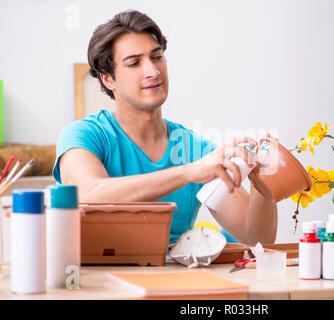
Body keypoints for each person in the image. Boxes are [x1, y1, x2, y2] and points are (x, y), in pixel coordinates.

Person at [53, 10, 277, 245]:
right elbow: (87, 195)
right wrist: (188, 172)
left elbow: (258, 239)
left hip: (175, 276)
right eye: (134, 63)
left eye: (157, 57)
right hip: (101, 277)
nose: (153, 71)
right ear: (108, 78)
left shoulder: (195, 150)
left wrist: (263, 186)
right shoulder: (84, 136)